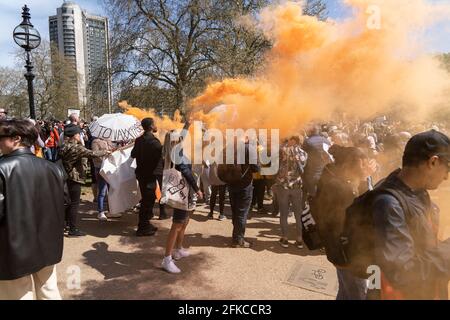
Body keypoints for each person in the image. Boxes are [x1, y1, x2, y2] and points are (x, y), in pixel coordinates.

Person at [370, 130, 450, 300]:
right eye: (447, 168)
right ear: (433, 162)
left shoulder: (418, 192)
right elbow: (403, 274)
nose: (446, 177)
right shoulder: (388, 203)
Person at [0, 119, 65, 299]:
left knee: (18, 294)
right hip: (48, 244)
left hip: (12, 249)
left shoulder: (2, 169)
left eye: (1, 137)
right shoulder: (53, 168)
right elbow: (63, 203)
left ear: (16, 139)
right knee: (49, 291)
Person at [314, 145, 372, 300]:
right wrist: (365, 181)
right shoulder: (342, 187)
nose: (366, 166)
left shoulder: (334, 179)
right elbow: (365, 212)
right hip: (348, 254)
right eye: (363, 163)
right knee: (359, 294)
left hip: (339, 251)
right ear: (350, 164)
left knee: (346, 292)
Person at [161, 127, 203, 274]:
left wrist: (188, 123)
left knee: (184, 221)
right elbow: (185, 171)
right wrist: (197, 188)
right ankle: (167, 259)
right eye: (179, 138)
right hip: (181, 191)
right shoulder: (175, 153)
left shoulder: (172, 149)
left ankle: (178, 249)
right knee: (177, 224)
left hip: (183, 191)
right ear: (175, 140)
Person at [60, 124, 110, 237]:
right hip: (75, 177)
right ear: (74, 136)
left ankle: (67, 224)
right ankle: (72, 229)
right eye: (78, 134)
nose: (80, 135)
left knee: (68, 202)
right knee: (74, 203)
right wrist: (105, 152)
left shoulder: (63, 146)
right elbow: (91, 153)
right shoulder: (76, 147)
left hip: (66, 177)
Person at [131, 118, 163, 236]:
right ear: (150, 126)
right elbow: (161, 156)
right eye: (154, 124)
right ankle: (142, 228)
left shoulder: (139, 140)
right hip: (150, 175)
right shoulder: (154, 142)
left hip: (141, 174)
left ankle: (146, 224)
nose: (156, 126)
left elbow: (133, 154)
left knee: (147, 199)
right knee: (147, 201)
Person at [274, 136, 308, 249]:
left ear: (293, 140)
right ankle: (299, 239)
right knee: (298, 215)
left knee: (284, 214)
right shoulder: (303, 153)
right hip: (297, 186)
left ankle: (285, 239)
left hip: (283, 185)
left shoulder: (282, 150)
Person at [226, 138, 260, 248]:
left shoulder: (229, 146)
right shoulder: (249, 148)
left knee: (235, 211)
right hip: (244, 184)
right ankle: (238, 240)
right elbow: (256, 168)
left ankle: (236, 235)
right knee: (242, 212)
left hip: (231, 183)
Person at [91, 136, 121, 221]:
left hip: (109, 168)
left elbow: (113, 150)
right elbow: (95, 153)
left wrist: (116, 149)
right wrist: (105, 152)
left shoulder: (109, 140)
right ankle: (101, 212)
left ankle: (111, 211)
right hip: (100, 168)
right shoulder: (95, 142)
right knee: (102, 191)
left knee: (111, 190)